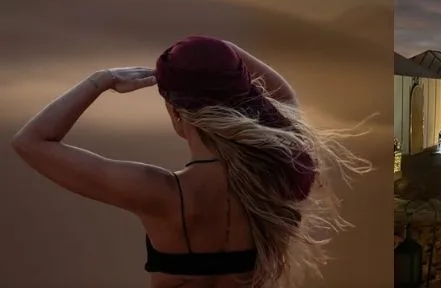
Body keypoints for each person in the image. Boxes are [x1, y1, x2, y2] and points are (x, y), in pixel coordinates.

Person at [12, 35, 369, 287]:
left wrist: (99, 81)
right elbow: (285, 98)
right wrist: (219, 49)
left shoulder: (157, 192)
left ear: (174, 111)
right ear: (242, 100)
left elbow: (31, 141)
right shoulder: (276, 176)